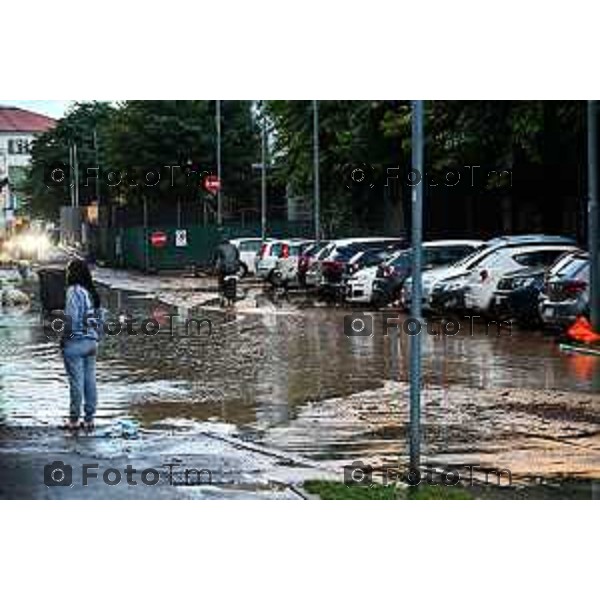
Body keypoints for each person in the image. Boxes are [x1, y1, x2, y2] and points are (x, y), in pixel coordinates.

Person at [61, 259, 102, 432]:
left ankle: (74, 420)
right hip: (92, 342)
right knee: (90, 381)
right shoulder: (91, 292)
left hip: (75, 343)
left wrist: (64, 338)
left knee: (76, 382)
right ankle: (89, 419)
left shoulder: (73, 291)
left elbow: (71, 318)